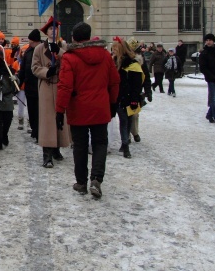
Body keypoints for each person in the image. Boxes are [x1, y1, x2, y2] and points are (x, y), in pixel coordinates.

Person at [56, 22, 119, 199]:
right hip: (100, 107)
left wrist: (60, 110)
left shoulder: (70, 57)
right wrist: (113, 102)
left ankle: (81, 182)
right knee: (100, 143)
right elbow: (114, 81)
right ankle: (97, 179)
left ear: (74, 38)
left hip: (79, 108)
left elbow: (65, 86)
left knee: (80, 146)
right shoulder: (105, 55)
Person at [32, 16, 71, 167]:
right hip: (47, 87)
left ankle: (57, 148)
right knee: (47, 120)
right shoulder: (39, 49)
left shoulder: (63, 47)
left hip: (60, 86)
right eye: (50, 28)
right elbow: (34, 67)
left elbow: (69, 61)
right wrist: (48, 71)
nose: (53, 31)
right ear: (46, 31)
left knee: (59, 118)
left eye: (55, 28)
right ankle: (47, 154)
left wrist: (60, 52)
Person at [112, 37, 143, 159]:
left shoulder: (133, 64)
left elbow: (137, 85)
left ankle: (125, 142)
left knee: (128, 120)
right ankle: (125, 144)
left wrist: (135, 99)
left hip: (130, 97)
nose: (113, 50)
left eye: (115, 48)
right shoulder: (114, 62)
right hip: (119, 97)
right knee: (123, 120)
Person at [18, 29, 42, 142]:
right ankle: (34, 129)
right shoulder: (28, 51)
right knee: (32, 111)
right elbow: (23, 69)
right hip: (29, 87)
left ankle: (39, 133)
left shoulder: (43, 50)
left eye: (31, 42)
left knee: (39, 112)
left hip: (41, 87)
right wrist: (18, 82)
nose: (30, 44)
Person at [199, 33, 215, 128]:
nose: (208, 42)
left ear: (213, 41)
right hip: (212, 79)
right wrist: (211, 77)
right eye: (207, 40)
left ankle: (209, 115)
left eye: (210, 40)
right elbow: (203, 68)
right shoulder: (204, 53)